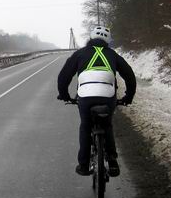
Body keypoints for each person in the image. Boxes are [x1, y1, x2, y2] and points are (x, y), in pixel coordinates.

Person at [57, 26, 137, 177]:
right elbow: (130, 76)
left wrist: (64, 95)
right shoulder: (112, 54)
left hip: (85, 96)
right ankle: (113, 162)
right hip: (108, 96)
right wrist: (128, 97)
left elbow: (64, 76)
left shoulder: (80, 54)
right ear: (108, 41)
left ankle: (84, 164)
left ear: (91, 38)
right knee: (107, 125)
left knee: (86, 126)